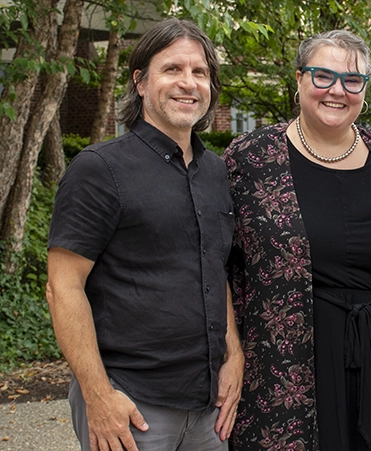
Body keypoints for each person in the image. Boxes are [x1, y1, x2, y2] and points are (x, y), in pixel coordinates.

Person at [46, 18, 243, 451]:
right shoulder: (99, 170)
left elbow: (216, 268)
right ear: (140, 81)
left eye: (200, 72)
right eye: (172, 69)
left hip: (209, 410)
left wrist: (234, 356)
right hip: (132, 404)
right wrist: (97, 396)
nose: (188, 83)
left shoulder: (216, 173)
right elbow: (63, 287)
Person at [224, 30, 371, 451]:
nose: (337, 90)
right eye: (322, 75)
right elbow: (218, 263)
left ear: (364, 89)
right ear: (298, 80)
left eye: (352, 80)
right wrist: (230, 350)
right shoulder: (251, 158)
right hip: (289, 358)